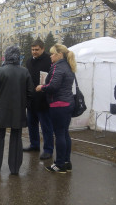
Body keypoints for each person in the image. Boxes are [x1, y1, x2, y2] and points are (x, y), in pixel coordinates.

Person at [0, 46, 34, 175]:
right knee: (16, 138)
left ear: (7, 56)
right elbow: (30, 92)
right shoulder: (24, 72)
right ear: (18, 56)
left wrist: (2, 95)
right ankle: (14, 168)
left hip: (2, 109)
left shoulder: (0, 71)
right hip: (18, 110)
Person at [36, 44, 76, 173]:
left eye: (52, 53)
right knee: (64, 134)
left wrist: (41, 87)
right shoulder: (68, 66)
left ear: (59, 55)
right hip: (68, 103)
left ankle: (59, 164)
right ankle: (66, 162)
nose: (50, 56)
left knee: (59, 134)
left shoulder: (58, 67)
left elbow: (53, 86)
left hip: (58, 105)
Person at [24, 38, 54, 160]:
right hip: (31, 99)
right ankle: (34, 144)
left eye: (36, 49)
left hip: (44, 99)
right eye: (32, 49)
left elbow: (53, 79)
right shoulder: (29, 61)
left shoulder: (49, 60)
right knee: (32, 124)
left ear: (42, 49)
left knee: (46, 126)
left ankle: (48, 149)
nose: (34, 52)